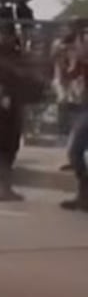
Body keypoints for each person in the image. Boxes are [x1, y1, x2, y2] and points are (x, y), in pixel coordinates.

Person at [0, 22, 41, 202]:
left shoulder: (12, 52)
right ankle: (1, 186)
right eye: (4, 34)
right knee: (2, 145)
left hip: (12, 102)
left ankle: (3, 185)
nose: (7, 38)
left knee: (10, 145)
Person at [59, 25, 88, 211]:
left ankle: (84, 197)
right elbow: (70, 76)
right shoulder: (80, 62)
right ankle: (83, 196)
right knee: (76, 151)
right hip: (83, 107)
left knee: (75, 151)